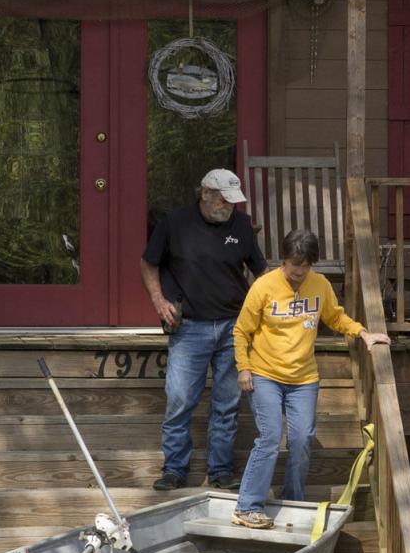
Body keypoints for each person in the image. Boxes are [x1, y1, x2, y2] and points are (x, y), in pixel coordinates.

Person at [230, 227, 387, 528]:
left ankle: (293, 500)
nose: (299, 271)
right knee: (271, 436)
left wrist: (363, 334)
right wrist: (243, 367)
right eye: (293, 265)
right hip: (265, 374)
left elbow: (335, 316)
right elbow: (241, 330)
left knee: (302, 438)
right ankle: (247, 506)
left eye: (305, 265)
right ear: (283, 260)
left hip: (303, 377)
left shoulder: (320, 284)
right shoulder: (263, 286)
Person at [141, 168, 266, 492]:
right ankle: (175, 470)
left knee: (227, 403)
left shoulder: (241, 224)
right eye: (223, 201)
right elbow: (149, 263)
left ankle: (221, 470)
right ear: (205, 194)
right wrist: (159, 302)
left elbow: (262, 272)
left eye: (232, 202)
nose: (228, 208)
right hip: (189, 326)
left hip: (233, 326)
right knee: (180, 399)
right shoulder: (174, 223)